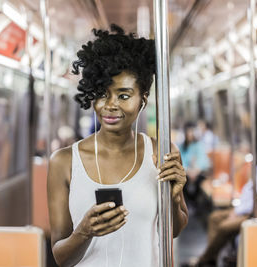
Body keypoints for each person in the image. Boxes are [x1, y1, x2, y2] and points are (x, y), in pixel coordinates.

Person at [47, 24, 188, 267]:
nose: (110, 105)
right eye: (102, 94)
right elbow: (60, 257)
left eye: (123, 96)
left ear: (142, 99)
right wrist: (84, 232)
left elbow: (173, 230)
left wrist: (174, 200)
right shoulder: (64, 161)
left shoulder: (162, 152)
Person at [194, 132, 257, 267]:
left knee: (224, 227)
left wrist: (237, 212)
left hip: (253, 213)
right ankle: (211, 259)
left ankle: (204, 260)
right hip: (242, 208)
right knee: (214, 218)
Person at [180, 122, 211, 204]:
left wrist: (196, 170)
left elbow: (203, 161)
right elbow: (180, 161)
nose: (189, 134)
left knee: (199, 182)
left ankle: (197, 206)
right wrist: (188, 171)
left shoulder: (199, 145)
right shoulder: (181, 147)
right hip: (186, 174)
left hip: (198, 174)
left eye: (191, 132)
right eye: (188, 132)